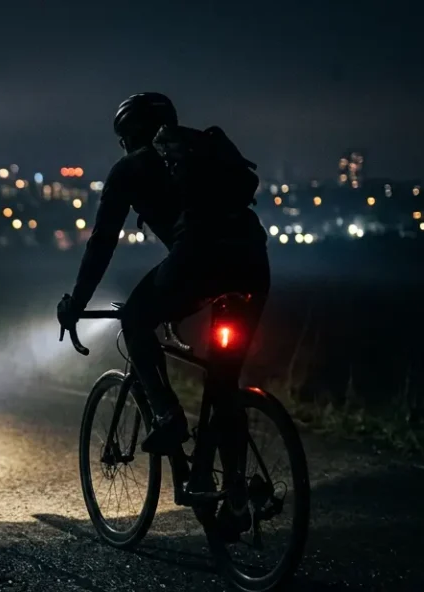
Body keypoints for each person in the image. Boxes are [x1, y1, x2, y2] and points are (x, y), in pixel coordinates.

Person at [58, 93, 270, 457]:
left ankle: (167, 415)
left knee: (136, 318)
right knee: (223, 383)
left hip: (198, 261)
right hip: (252, 261)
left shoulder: (130, 168)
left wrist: (77, 302)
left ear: (130, 135)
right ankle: (227, 492)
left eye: (123, 140)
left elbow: (102, 242)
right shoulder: (202, 152)